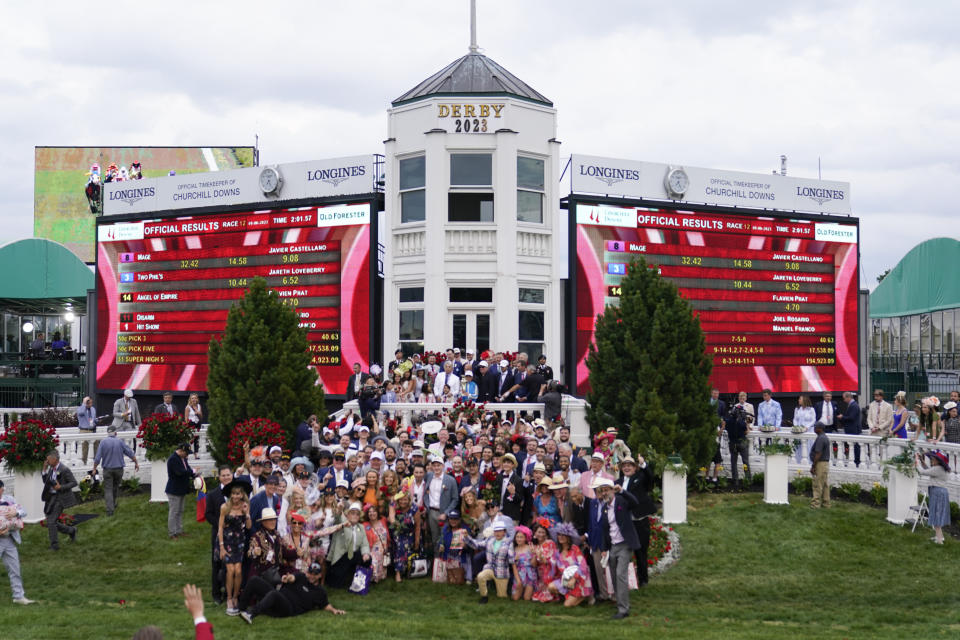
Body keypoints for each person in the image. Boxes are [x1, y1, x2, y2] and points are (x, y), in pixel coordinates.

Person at [594, 477, 641, 620]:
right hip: (613, 546)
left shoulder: (621, 501)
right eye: (602, 491)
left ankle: (623, 610)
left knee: (621, 574)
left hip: (625, 544)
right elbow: (604, 530)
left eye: (606, 490)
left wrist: (623, 491)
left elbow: (635, 502)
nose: (604, 493)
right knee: (614, 575)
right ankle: (621, 602)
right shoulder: (604, 509)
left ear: (612, 490)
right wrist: (603, 548)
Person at [239, 562, 345, 624]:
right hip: (277, 598)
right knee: (254, 580)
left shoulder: (320, 592)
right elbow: (292, 578)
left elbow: (325, 604)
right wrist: (287, 578)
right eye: (310, 573)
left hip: (288, 608)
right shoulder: (301, 576)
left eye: (315, 574)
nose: (312, 576)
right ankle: (241, 609)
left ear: (320, 575)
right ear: (307, 572)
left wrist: (334, 610)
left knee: (274, 594)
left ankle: (251, 614)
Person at [618, 455, 655, 586]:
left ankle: (643, 579)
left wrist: (643, 464)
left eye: (630, 465)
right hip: (625, 522)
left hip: (639, 520)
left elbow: (650, 478)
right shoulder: (618, 482)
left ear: (635, 468)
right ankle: (627, 580)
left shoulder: (640, 478)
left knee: (641, 551)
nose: (627, 467)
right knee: (624, 551)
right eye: (624, 465)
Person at [218, 478, 253, 615]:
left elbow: (249, 527)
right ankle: (228, 598)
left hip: (239, 542)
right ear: (230, 495)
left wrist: (247, 513)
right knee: (230, 571)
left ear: (242, 494)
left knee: (238, 571)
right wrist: (221, 547)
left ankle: (235, 596)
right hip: (226, 542)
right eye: (233, 493)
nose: (235, 496)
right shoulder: (225, 507)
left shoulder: (245, 506)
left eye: (238, 493)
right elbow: (220, 528)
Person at [0, 479, 35, 604]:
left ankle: (18, 596)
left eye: (1, 489)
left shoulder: (9, 499)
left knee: (15, 568)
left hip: (9, 539)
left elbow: (23, 512)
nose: (1, 491)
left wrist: (16, 512)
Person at [92, 425, 139, 516]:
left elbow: (97, 458)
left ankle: (110, 509)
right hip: (119, 469)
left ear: (108, 433)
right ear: (115, 432)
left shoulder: (103, 442)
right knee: (115, 487)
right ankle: (112, 504)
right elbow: (129, 452)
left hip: (107, 469)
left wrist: (94, 468)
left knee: (108, 489)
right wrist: (136, 462)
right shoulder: (120, 441)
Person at [204, 466, 233, 605]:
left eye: (228, 475)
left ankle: (229, 592)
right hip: (218, 534)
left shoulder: (237, 492)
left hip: (234, 534)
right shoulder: (213, 494)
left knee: (231, 564)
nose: (226, 477)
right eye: (224, 475)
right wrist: (221, 524)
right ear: (219, 477)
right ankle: (216, 594)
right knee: (217, 564)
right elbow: (208, 514)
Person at [325, 502, 371, 589]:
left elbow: (365, 544)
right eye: (352, 513)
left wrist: (365, 554)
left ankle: (360, 581)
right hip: (341, 557)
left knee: (368, 559)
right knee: (335, 585)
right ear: (348, 515)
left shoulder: (361, 527)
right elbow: (337, 517)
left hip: (354, 555)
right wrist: (339, 510)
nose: (355, 516)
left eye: (357, 514)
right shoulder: (342, 522)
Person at [547, 522, 592, 607]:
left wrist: (574, 579)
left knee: (567, 605)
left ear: (569, 537)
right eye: (559, 535)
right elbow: (551, 564)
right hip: (566, 580)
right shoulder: (557, 552)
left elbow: (583, 566)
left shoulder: (574, 549)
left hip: (579, 579)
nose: (561, 537)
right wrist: (541, 558)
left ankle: (584, 595)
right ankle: (570, 595)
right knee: (550, 587)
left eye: (563, 535)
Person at [41, 450, 78, 550]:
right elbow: (46, 482)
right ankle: (71, 530)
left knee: (51, 521)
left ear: (55, 459)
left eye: (48, 460)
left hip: (60, 498)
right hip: (51, 497)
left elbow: (74, 483)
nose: (47, 462)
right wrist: (44, 470)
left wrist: (60, 487)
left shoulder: (64, 469)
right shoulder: (51, 469)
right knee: (50, 521)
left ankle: (54, 545)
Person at [424, 456, 459, 551]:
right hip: (432, 512)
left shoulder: (450, 480)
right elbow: (424, 491)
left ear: (443, 466)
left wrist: (446, 513)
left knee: (445, 539)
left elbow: (455, 499)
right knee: (435, 539)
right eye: (434, 465)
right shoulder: (429, 476)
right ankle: (437, 562)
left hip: (444, 512)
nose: (436, 468)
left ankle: (447, 562)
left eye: (438, 465)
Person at [165, 442, 198, 539]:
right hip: (174, 490)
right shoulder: (173, 459)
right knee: (174, 512)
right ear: (181, 450)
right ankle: (172, 533)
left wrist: (194, 475)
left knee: (180, 510)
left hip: (182, 489)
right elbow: (179, 472)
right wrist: (192, 471)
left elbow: (187, 469)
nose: (187, 455)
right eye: (186, 452)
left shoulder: (183, 458)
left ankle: (179, 530)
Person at [917, 451, 951, 544]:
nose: (932, 460)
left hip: (937, 492)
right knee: (937, 514)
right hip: (939, 492)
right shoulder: (940, 469)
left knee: (936, 515)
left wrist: (916, 462)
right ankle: (940, 536)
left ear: (938, 461)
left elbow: (922, 472)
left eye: (933, 459)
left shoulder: (938, 469)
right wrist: (921, 461)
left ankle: (939, 540)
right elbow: (929, 471)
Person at [387, 491, 421, 583]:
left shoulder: (414, 508)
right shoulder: (393, 504)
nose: (403, 501)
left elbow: (417, 526)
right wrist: (398, 525)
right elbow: (391, 518)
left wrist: (417, 540)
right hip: (397, 533)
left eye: (405, 499)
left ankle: (407, 570)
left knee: (409, 546)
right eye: (401, 499)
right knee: (400, 546)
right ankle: (397, 573)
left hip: (410, 533)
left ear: (409, 500)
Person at [476, 521, 512, 603]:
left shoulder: (509, 542)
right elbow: (476, 544)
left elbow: (511, 557)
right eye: (496, 531)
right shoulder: (489, 540)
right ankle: (484, 596)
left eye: (500, 531)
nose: (497, 533)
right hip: (490, 568)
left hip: (501, 572)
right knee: (480, 576)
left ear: (504, 532)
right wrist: (466, 537)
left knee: (502, 597)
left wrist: (514, 558)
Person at [510, 525, 537, 601]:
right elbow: (514, 567)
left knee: (527, 598)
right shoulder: (514, 549)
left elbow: (534, 565)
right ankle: (521, 588)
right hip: (519, 574)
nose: (519, 539)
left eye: (521, 537)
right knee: (515, 598)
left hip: (530, 575)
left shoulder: (530, 548)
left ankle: (528, 590)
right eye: (517, 537)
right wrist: (518, 580)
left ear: (526, 538)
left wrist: (534, 554)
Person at [809, 422, 831, 509]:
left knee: (817, 484)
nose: (814, 429)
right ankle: (826, 504)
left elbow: (818, 453)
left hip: (820, 463)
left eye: (815, 427)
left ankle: (815, 504)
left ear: (820, 429)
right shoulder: (824, 437)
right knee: (824, 484)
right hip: (824, 464)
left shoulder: (821, 439)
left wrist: (813, 466)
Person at [840, 392, 863, 466]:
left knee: (855, 446)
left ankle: (857, 462)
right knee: (853, 446)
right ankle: (855, 461)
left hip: (853, 429)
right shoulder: (852, 405)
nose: (844, 400)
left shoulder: (854, 405)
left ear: (848, 397)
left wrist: (842, 417)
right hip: (852, 429)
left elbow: (851, 417)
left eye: (844, 398)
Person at [793, 394, 816, 463]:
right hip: (799, 431)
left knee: (808, 447)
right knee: (799, 447)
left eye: (800, 399)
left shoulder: (811, 409)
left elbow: (813, 420)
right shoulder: (797, 409)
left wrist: (806, 427)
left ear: (804, 400)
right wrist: (796, 426)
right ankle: (798, 462)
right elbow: (795, 419)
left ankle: (809, 462)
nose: (798, 400)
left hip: (808, 431)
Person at [76, 396, 98, 465]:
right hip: (84, 430)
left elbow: (93, 419)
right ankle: (83, 463)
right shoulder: (80, 409)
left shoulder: (93, 409)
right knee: (84, 448)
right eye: (88, 403)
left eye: (91, 403)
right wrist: (84, 403)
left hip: (92, 430)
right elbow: (81, 413)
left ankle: (95, 462)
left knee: (96, 446)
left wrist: (96, 421)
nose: (90, 405)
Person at [184, 393, 204, 459]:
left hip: (198, 423)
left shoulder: (199, 406)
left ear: (197, 399)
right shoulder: (188, 407)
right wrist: (187, 427)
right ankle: (186, 454)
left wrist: (198, 412)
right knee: (190, 439)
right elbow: (186, 418)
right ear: (190, 399)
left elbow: (201, 417)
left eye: (195, 398)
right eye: (192, 398)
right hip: (191, 423)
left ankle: (196, 454)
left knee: (196, 439)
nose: (194, 399)